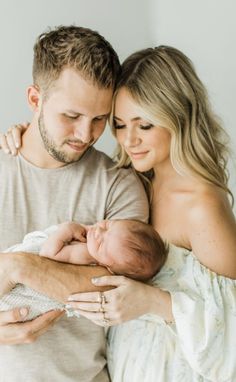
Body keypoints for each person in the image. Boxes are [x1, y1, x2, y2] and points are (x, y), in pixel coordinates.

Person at [28, 46, 234, 382]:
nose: (129, 140)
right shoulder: (131, 183)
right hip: (122, 366)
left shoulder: (202, 206)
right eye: (120, 125)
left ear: (179, 117)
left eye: (145, 125)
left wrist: (154, 301)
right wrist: (24, 132)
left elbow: (232, 323)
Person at [0, 25, 149, 382]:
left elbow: (119, 290)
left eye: (100, 119)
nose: (86, 134)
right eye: (72, 116)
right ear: (36, 100)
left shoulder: (118, 184)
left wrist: (19, 267)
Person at [0, 219, 167, 321]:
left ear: (110, 267)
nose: (98, 231)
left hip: (20, 290)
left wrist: (66, 229)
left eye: (101, 244)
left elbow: (47, 253)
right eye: (108, 226)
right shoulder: (101, 251)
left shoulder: (86, 254)